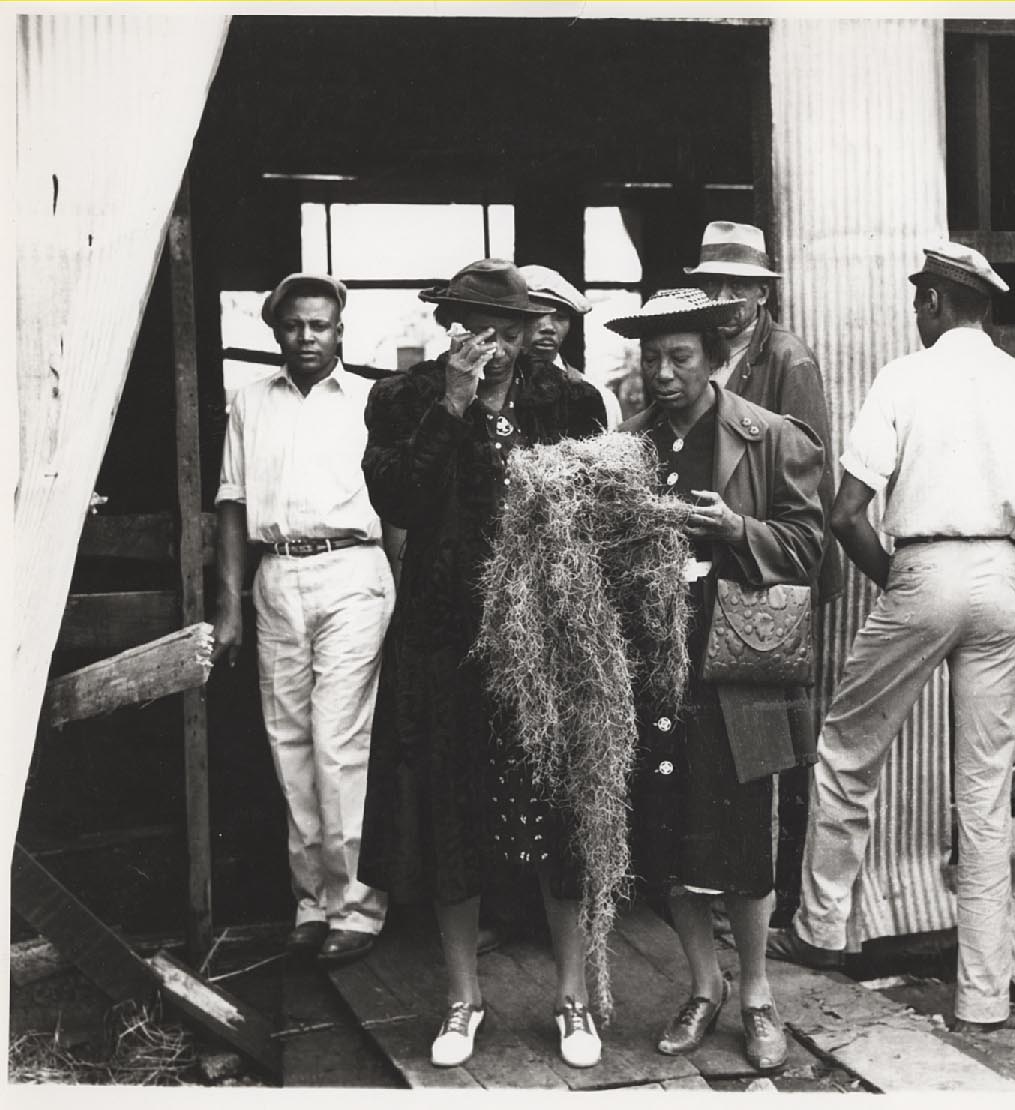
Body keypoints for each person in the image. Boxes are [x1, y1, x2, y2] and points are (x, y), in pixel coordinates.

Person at [769, 244, 1015, 1033]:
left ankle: (820, 930)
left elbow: (846, 514)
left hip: (923, 568)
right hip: (1002, 576)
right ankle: (982, 995)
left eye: (920, 300)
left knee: (847, 752)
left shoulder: (903, 378)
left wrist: (900, 582)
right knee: (983, 790)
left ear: (933, 303)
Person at [357, 260, 608, 1069]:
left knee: (559, 812)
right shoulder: (403, 399)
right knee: (450, 815)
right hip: (445, 637)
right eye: (474, 327)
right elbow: (398, 500)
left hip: (546, 637)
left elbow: (595, 510)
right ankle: (463, 999)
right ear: (448, 326)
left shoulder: (568, 399)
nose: (491, 343)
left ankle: (572, 997)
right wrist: (454, 403)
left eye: (506, 328)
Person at [607, 288, 826, 1071]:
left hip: (738, 665)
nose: (663, 374)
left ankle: (758, 994)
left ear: (715, 359)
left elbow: (810, 548)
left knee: (742, 837)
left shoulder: (770, 437)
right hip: (653, 667)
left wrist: (736, 529)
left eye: (679, 358)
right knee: (666, 833)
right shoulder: (625, 446)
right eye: (651, 359)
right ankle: (704, 985)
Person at [212, 273, 394, 966]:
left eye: (320, 325)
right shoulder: (250, 402)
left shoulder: (371, 400)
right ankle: (312, 902)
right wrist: (229, 605)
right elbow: (232, 504)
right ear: (276, 331)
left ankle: (357, 906)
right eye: (294, 325)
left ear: (340, 330)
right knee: (288, 741)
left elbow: (398, 501)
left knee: (337, 740)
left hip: (352, 569)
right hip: (278, 574)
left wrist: (399, 586)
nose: (307, 337)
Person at [685, 218, 843, 909]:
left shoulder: (786, 359)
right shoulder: (710, 351)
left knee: (773, 741)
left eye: (736, 287)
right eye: (713, 286)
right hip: (717, 566)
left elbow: (808, 472)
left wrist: (755, 534)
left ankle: (773, 897)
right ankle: (724, 884)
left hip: (769, 568)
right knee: (720, 735)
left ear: (761, 293)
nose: (723, 299)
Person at [518, 263, 625, 430]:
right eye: (536, 315)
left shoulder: (600, 398)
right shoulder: (489, 389)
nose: (548, 327)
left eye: (560, 317)